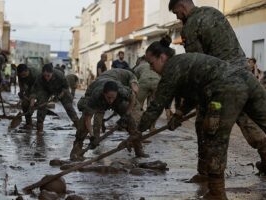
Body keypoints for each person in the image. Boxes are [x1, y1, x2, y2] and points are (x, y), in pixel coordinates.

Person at [138, 37, 266, 199]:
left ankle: (216, 192)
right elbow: (196, 92)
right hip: (247, 80)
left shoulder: (171, 69)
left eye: (151, 63)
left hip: (225, 92)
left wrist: (137, 131)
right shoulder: (185, 61)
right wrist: (180, 113)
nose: (151, 68)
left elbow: (157, 105)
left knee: (215, 138)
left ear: (162, 58)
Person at [169, 0, 266, 179]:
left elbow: (197, 68)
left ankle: (206, 174)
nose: (177, 17)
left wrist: (182, 110)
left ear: (182, 7)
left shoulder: (190, 26)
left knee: (205, 126)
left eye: (176, 13)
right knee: (249, 120)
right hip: (244, 75)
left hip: (222, 83)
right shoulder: (214, 12)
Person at [70, 79, 147, 161]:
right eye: (109, 97)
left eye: (113, 97)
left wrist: (127, 114)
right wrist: (92, 136)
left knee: (130, 121)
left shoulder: (122, 92)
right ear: (104, 94)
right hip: (98, 97)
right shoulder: (95, 96)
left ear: (117, 94)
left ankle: (138, 149)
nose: (110, 100)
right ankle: (76, 151)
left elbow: (133, 97)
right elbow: (88, 119)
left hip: (118, 101)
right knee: (82, 126)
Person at [29, 64, 79, 134]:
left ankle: (79, 128)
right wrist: (32, 102)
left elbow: (66, 87)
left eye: (48, 76)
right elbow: (34, 90)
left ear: (52, 73)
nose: (46, 78)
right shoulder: (40, 77)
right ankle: (39, 130)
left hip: (60, 90)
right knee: (41, 105)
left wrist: (59, 97)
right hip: (46, 90)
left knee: (69, 107)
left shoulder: (59, 75)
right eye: (44, 76)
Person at [17, 64, 40, 130]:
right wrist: (21, 93)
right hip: (29, 87)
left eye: (24, 75)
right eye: (21, 75)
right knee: (24, 104)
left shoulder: (35, 74)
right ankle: (29, 123)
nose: (23, 77)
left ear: (27, 71)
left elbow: (34, 90)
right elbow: (21, 84)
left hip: (40, 87)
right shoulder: (20, 74)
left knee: (39, 104)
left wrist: (32, 104)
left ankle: (40, 123)